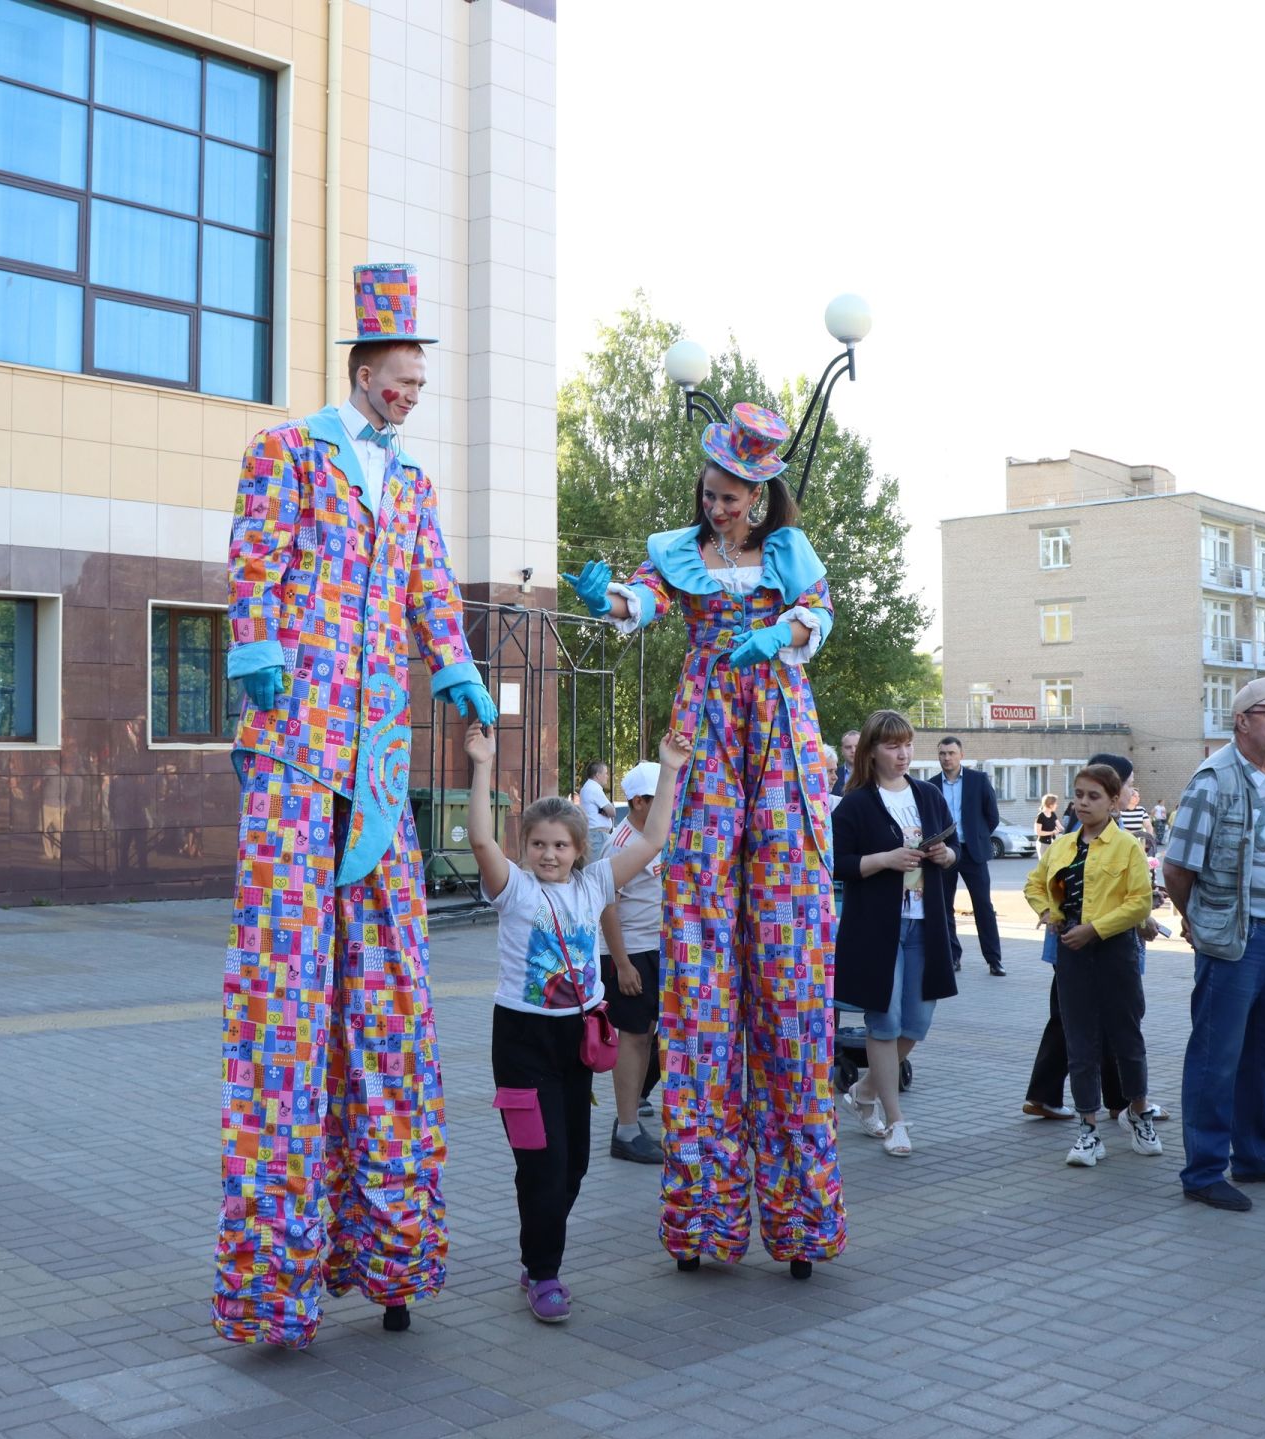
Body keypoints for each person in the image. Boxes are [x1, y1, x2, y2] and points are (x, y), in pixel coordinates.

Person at [213, 263, 498, 1346]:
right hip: (295, 747)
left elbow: (430, 588)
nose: (412, 394)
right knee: (287, 998)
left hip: (376, 758)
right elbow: (257, 554)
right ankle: (272, 1279)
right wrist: (254, 641)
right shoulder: (287, 449)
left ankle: (387, 1251)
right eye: (402, 377)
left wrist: (457, 664)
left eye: (422, 383)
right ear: (363, 366)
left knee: (385, 995)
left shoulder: (412, 485)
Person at [564, 401, 843, 1278]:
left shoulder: (790, 555)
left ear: (760, 497)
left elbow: (817, 620)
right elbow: (637, 602)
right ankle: (707, 1220)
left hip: (780, 731)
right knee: (704, 978)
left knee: (791, 980)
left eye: (733, 497)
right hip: (711, 732)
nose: (719, 507)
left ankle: (799, 1222)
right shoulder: (677, 555)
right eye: (712, 493)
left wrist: (782, 633)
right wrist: (605, 594)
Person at [469, 726, 685, 1323]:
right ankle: (544, 1273)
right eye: (538, 843)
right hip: (520, 1040)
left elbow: (657, 836)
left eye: (560, 845)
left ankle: (537, 1250)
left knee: (574, 1167)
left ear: (579, 850)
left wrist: (667, 769)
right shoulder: (513, 891)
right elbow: (482, 839)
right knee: (542, 1162)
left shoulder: (594, 885)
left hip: (578, 1037)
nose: (548, 854)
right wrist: (483, 765)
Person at [1163, 677, 1265, 1212]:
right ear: (1241, 721)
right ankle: (1203, 1171)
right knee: (1216, 1057)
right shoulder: (1214, 779)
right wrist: (1197, 921)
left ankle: (1253, 1155)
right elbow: (1178, 866)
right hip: (1237, 940)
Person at [831, 709, 960, 1157]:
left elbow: (954, 847)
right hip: (876, 928)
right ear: (871, 751)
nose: (903, 753)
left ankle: (864, 1092)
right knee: (883, 1021)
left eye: (907, 744)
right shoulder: (856, 802)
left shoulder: (927, 794)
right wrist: (885, 860)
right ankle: (895, 1119)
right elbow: (837, 863)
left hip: (927, 921)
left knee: (917, 1023)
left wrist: (945, 856)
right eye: (892, 745)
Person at [1025, 764, 1159, 1167]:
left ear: (1114, 802)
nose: (1083, 803)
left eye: (1094, 796)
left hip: (1114, 949)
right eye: (1079, 795)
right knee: (1080, 1040)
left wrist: (1096, 930)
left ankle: (1138, 1112)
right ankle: (1088, 1130)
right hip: (1071, 951)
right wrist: (1049, 912)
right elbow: (1034, 884)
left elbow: (1139, 902)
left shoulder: (1128, 847)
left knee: (1126, 1037)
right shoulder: (1063, 845)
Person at [598, 760, 667, 1164]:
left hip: (659, 948)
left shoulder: (661, 834)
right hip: (632, 951)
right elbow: (608, 904)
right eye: (661, 799)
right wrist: (622, 964)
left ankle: (633, 1108)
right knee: (634, 1037)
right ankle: (625, 1130)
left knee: (652, 1036)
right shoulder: (622, 841)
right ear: (640, 802)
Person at [935, 736, 1007, 975]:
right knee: (944, 906)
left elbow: (992, 815)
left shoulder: (978, 780)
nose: (947, 758)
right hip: (944, 853)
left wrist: (978, 837)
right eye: (943, 753)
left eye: (951, 753)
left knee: (983, 906)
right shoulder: (932, 785)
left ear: (961, 755)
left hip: (973, 852)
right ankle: (953, 957)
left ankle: (994, 959)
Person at [578, 761, 616, 860]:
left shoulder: (587, 787)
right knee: (596, 869)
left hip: (595, 835)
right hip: (598, 836)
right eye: (606, 773)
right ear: (598, 775)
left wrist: (604, 810)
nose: (607, 776)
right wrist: (608, 808)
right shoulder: (594, 788)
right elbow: (612, 812)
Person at [832, 729, 860, 797]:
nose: (853, 750)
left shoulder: (875, 774)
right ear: (842, 751)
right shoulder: (833, 775)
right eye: (848, 747)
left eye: (857, 747)